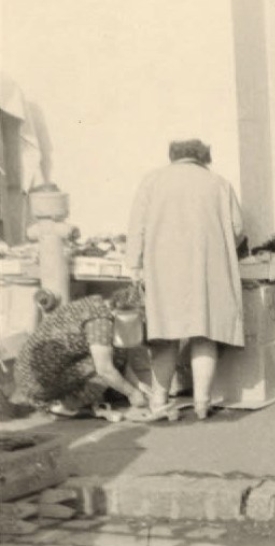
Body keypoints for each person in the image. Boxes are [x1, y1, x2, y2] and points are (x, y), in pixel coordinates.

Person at [126, 139, 244, 421]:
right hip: (207, 268)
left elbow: (136, 228)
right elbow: (238, 229)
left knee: (165, 337)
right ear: (204, 157)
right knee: (204, 334)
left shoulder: (152, 181)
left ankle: (159, 401)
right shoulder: (219, 183)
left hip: (163, 270)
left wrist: (134, 265)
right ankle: (202, 403)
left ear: (173, 156)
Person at [13, 293, 147, 417]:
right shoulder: (101, 321)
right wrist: (132, 393)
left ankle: (59, 402)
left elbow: (121, 359)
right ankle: (64, 405)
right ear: (121, 312)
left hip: (26, 374)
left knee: (114, 353)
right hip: (38, 383)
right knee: (110, 362)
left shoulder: (96, 303)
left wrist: (139, 386)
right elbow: (105, 370)